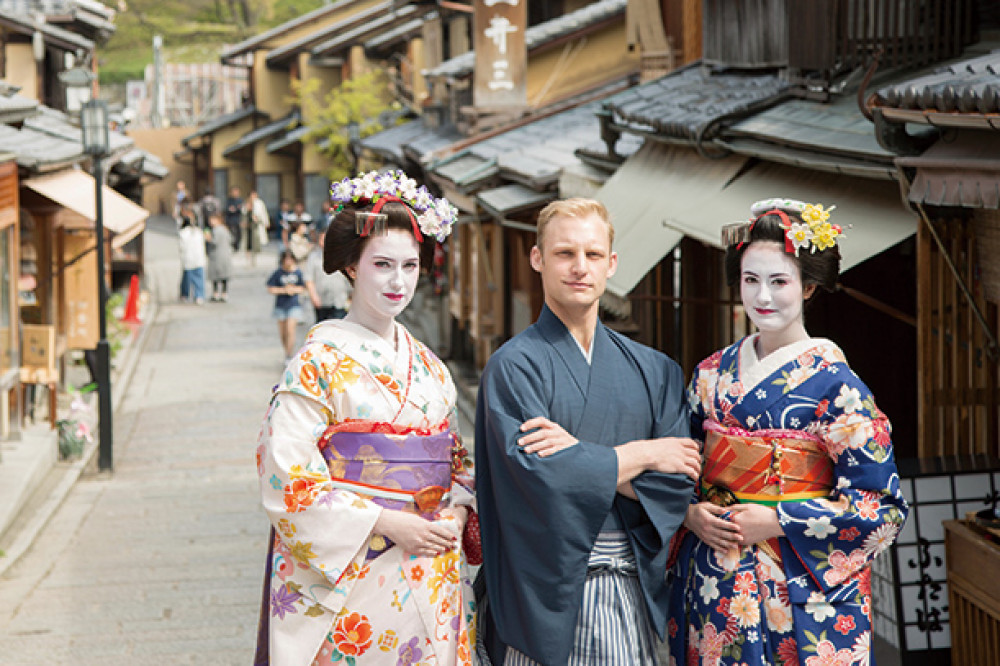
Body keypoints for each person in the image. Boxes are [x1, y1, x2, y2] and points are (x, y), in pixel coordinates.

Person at [666, 198, 909, 665]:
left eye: (780, 281)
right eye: (750, 280)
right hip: (716, 581)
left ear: (809, 286)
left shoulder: (839, 388)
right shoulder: (711, 375)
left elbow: (882, 510)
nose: (763, 297)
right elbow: (680, 464)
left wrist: (777, 520)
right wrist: (690, 513)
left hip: (795, 590)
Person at [254, 169, 475, 665]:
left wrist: (458, 512)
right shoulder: (317, 361)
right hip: (358, 574)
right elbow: (285, 472)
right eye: (382, 264)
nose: (399, 281)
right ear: (352, 266)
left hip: (430, 566)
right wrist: (387, 522)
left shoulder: (432, 368)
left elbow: (457, 464)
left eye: (411, 266)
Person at [474, 197, 702, 666]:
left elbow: (677, 484)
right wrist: (642, 453)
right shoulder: (513, 368)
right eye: (564, 253)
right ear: (537, 258)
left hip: (626, 582)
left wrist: (577, 455)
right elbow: (540, 477)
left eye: (593, 255)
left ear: (611, 263)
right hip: (541, 588)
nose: (580, 267)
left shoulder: (654, 370)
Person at [304, 220, 352, 323]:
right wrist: (313, 296)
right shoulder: (314, 257)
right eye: (322, 239)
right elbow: (309, 279)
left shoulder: (342, 256)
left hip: (339, 300)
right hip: (321, 300)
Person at [266, 250, 306, 363]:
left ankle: (289, 354)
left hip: (294, 305)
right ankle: (286, 351)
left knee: (290, 329)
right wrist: (284, 290)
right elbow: (270, 288)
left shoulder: (298, 273)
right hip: (280, 305)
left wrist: (293, 290)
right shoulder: (278, 273)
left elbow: (303, 287)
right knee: (283, 333)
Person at [177, 209, 207, 304]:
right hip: (197, 259)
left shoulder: (183, 233)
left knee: (187, 279)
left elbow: (181, 247)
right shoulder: (199, 232)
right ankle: (199, 295)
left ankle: (185, 295)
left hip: (189, 259)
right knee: (198, 279)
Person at [205, 213, 233, 302]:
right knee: (224, 276)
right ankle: (224, 294)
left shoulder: (216, 230)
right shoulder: (225, 229)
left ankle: (216, 294)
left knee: (216, 276)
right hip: (226, 255)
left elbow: (214, 242)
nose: (210, 222)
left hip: (217, 256)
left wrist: (208, 238)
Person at [246, 189, 270, 267]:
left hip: (257, 226)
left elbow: (263, 213)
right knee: (248, 244)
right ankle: (249, 260)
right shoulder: (247, 203)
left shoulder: (259, 203)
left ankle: (255, 259)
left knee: (257, 242)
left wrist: (266, 222)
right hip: (249, 227)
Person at [225, 186, 244, 251]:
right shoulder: (229, 200)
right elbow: (227, 209)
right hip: (230, 221)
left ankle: (237, 247)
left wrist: (235, 209)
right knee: (232, 235)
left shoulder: (240, 200)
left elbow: (241, 209)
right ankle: (232, 246)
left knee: (239, 235)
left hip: (238, 220)